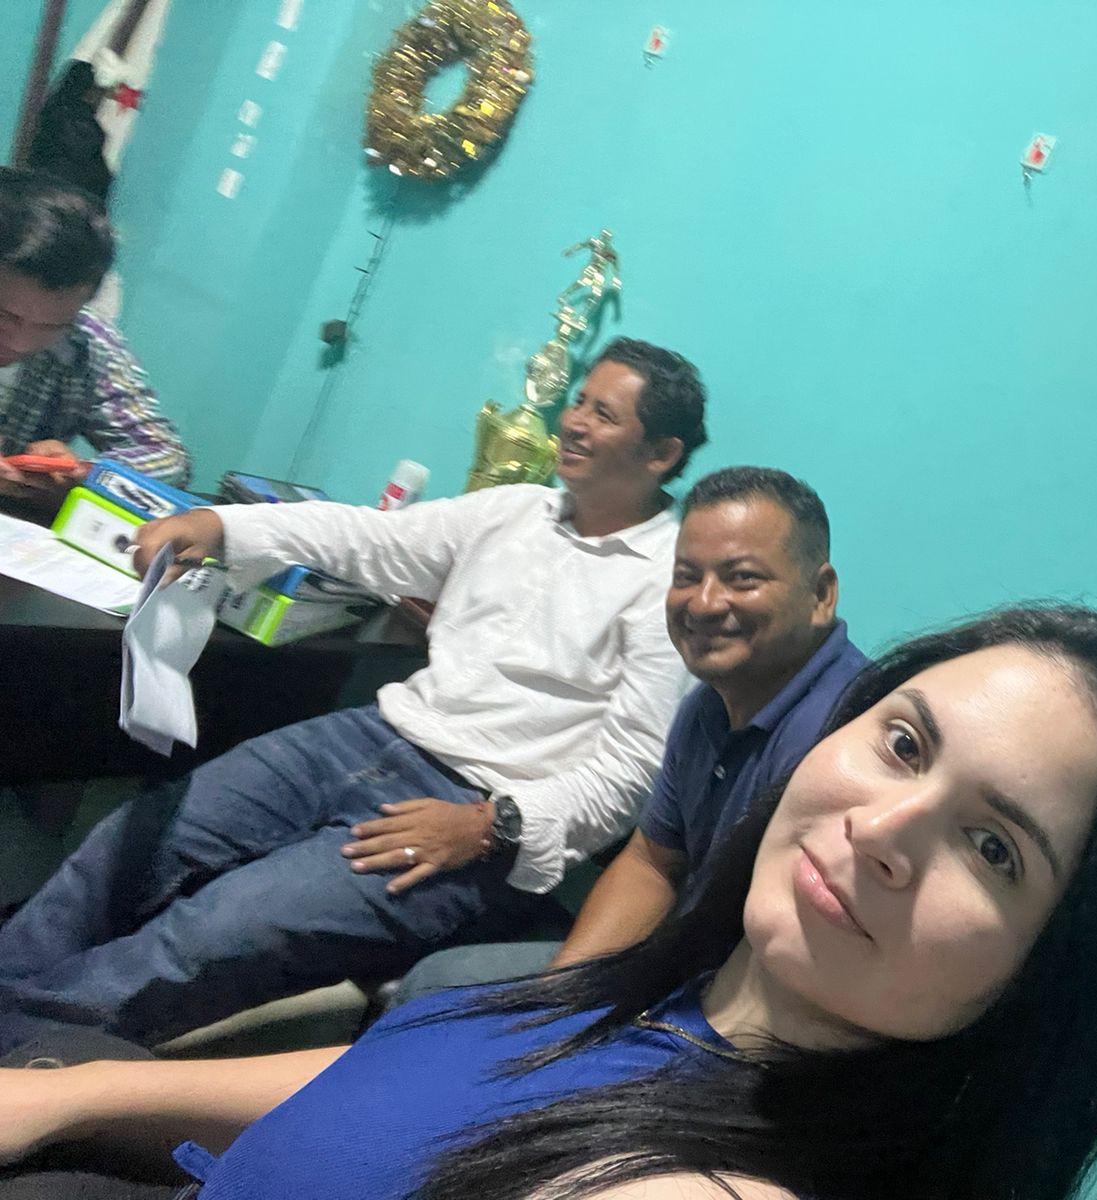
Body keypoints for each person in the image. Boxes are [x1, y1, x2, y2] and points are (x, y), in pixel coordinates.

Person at [0, 604, 1097, 1200]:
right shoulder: (684, 994)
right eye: (905, 744)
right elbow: (421, 1073)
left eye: (993, 847)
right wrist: (83, 1093)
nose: (883, 829)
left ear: (1058, 972)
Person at [0, 338, 709, 1052]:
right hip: (366, 739)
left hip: (467, 813)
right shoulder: (519, 512)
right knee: (135, 841)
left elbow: (632, 771)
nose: (574, 422)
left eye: (604, 414)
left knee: (214, 932)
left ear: (662, 453)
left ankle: (23, 1052)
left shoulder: (668, 583)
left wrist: (493, 825)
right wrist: (221, 526)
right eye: (579, 402)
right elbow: (366, 537)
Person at [394, 466, 869, 996]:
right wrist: (555, 1000)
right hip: (678, 961)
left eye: (742, 579)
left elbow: (801, 963)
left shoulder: (846, 741)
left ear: (821, 594)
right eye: (686, 576)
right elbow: (652, 863)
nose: (704, 602)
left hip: (752, 997)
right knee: (433, 984)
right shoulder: (707, 707)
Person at [0, 167, 189, 500]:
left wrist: (82, 475)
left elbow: (167, 458)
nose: (20, 341)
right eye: (5, 316)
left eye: (50, 326)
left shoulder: (86, 342)